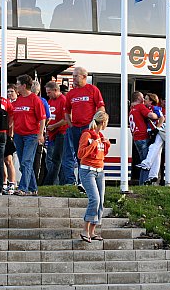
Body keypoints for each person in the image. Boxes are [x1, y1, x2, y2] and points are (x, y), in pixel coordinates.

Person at [62, 66, 105, 189]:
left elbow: (101, 108)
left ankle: (85, 181)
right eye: (73, 76)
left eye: (76, 76)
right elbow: (66, 111)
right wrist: (70, 125)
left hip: (88, 127)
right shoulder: (71, 93)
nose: (73, 78)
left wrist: (96, 124)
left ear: (84, 77)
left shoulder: (93, 90)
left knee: (89, 154)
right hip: (76, 127)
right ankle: (77, 181)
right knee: (78, 154)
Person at [78, 111, 110, 243]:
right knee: (94, 199)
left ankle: (92, 231)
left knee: (101, 201)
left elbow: (102, 154)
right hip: (87, 171)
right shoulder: (87, 134)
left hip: (99, 171)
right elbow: (80, 154)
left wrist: (106, 144)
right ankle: (85, 230)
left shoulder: (100, 135)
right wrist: (93, 144)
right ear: (103, 122)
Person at [12, 74, 46, 196]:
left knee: (26, 161)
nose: (16, 86)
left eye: (18, 84)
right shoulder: (18, 100)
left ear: (24, 85)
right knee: (24, 163)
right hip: (18, 135)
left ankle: (23, 188)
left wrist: (40, 134)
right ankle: (33, 188)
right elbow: (13, 117)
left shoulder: (35, 100)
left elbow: (42, 118)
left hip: (31, 135)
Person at [129, 92, 158, 185]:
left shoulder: (131, 109)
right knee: (147, 162)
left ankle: (142, 182)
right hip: (143, 137)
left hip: (136, 138)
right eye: (143, 97)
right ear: (138, 98)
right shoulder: (140, 107)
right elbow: (151, 115)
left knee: (143, 162)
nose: (144, 99)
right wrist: (158, 116)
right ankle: (144, 183)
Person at [136, 93, 165, 185]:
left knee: (154, 147)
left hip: (158, 131)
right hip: (151, 131)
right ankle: (153, 175)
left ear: (151, 101)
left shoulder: (155, 108)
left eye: (147, 99)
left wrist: (157, 129)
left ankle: (147, 163)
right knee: (157, 154)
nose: (144, 100)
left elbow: (162, 118)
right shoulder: (147, 109)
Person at [44, 81, 68, 185]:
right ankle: (60, 182)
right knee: (52, 159)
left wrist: (53, 126)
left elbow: (66, 119)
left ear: (55, 90)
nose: (48, 94)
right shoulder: (50, 101)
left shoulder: (63, 100)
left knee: (56, 159)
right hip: (52, 134)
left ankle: (49, 182)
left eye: (49, 92)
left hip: (61, 133)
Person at [31, 80, 50, 185]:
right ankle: (36, 181)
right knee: (37, 157)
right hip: (39, 133)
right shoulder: (43, 101)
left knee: (31, 157)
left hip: (31, 133)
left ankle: (33, 181)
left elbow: (47, 117)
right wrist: (43, 129)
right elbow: (48, 117)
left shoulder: (40, 101)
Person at [3, 84, 18, 194]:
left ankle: (12, 183)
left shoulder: (18, 103)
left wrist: (11, 135)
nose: (9, 94)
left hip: (14, 135)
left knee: (10, 160)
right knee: (4, 159)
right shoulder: (6, 103)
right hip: (5, 134)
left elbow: (12, 122)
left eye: (11, 91)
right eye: (8, 91)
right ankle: (5, 181)